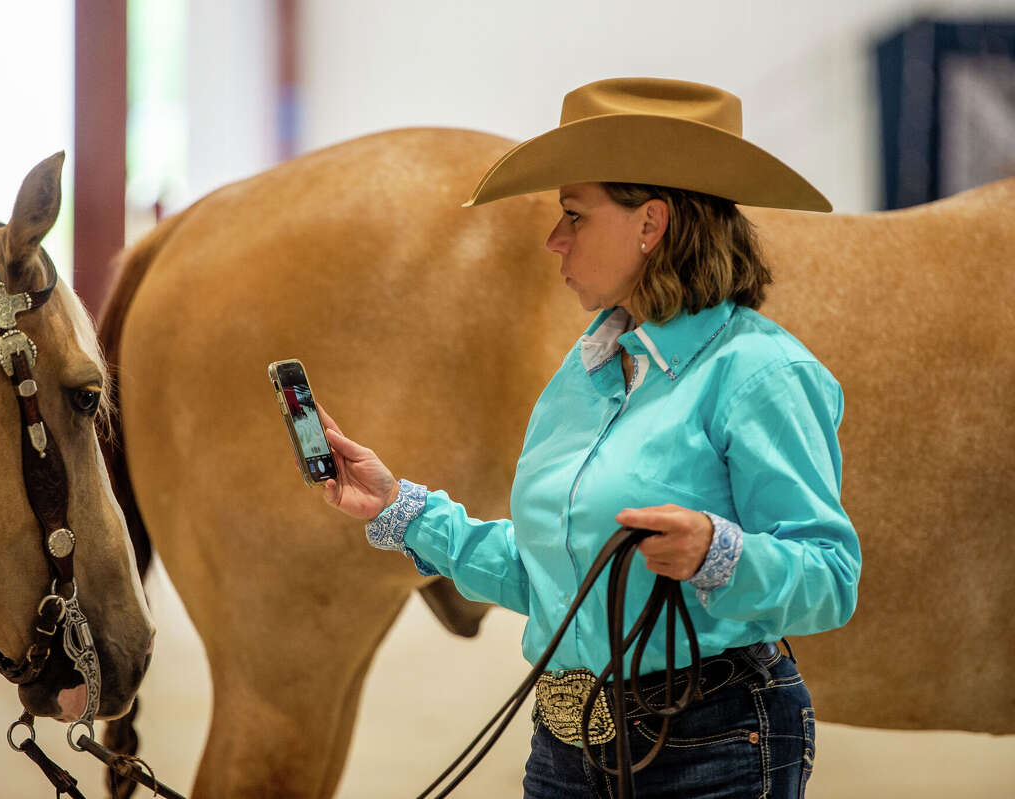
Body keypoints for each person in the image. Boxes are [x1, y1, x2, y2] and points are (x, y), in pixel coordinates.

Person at [317, 78, 860, 799]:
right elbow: (553, 578)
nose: (555, 238)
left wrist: (718, 553)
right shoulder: (586, 374)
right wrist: (402, 511)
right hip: (565, 745)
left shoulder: (762, 372)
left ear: (651, 223)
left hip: (711, 745)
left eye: (574, 214)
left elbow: (830, 577)